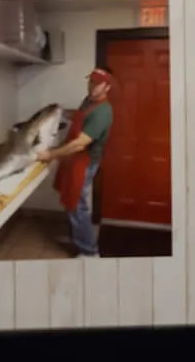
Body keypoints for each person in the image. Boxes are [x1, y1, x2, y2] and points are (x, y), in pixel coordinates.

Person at [36, 67, 115, 258]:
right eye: (91, 82)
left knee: (77, 206)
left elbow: (80, 144)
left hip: (84, 163)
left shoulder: (103, 112)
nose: (93, 87)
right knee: (72, 202)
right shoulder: (88, 101)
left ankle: (89, 252)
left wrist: (51, 154)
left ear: (108, 87)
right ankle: (79, 237)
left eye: (98, 84)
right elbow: (79, 117)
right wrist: (60, 112)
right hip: (73, 161)